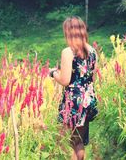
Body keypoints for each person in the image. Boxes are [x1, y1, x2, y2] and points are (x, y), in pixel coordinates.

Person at [49, 16, 98, 160]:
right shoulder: (92, 51)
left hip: (74, 101)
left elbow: (65, 80)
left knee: (72, 142)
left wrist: (53, 73)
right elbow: (91, 76)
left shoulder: (68, 52)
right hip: (88, 99)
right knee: (79, 141)